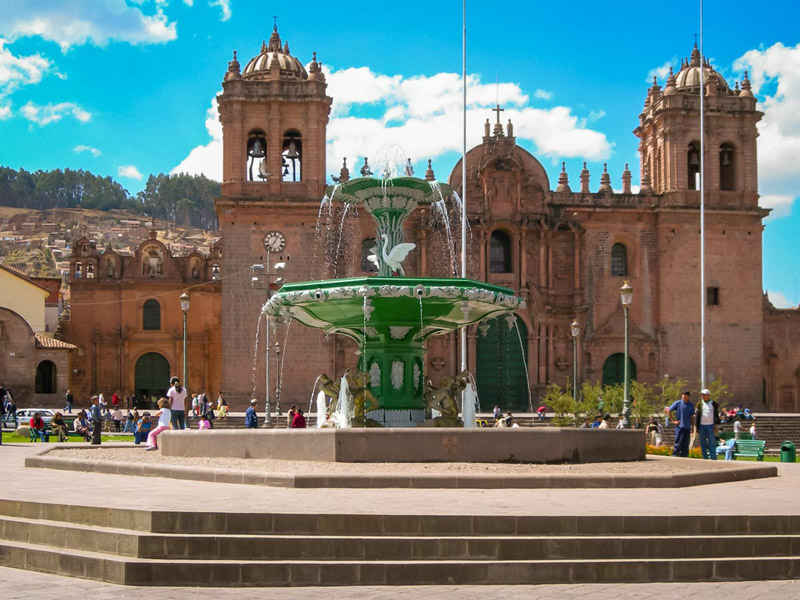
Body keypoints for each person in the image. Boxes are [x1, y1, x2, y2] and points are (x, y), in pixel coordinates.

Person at [695, 388, 720, 460]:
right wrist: (697, 427)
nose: (703, 396)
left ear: (708, 395)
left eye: (704, 395)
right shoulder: (699, 404)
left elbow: (716, 415)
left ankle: (713, 457)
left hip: (711, 425)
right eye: (702, 395)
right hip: (702, 425)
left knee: (712, 442)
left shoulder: (713, 404)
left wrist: (716, 426)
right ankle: (704, 457)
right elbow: (697, 415)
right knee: (702, 442)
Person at [669, 390, 695, 457]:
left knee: (686, 443)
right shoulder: (678, 403)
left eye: (685, 395)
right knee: (678, 442)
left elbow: (692, 416)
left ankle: (684, 456)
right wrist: (673, 420)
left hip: (687, 427)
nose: (683, 396)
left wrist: (692, 426)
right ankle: (674, 455)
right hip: (680, 426)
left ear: (688, 396)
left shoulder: (691, 405)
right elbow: (669, 410)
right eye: (683, 394)